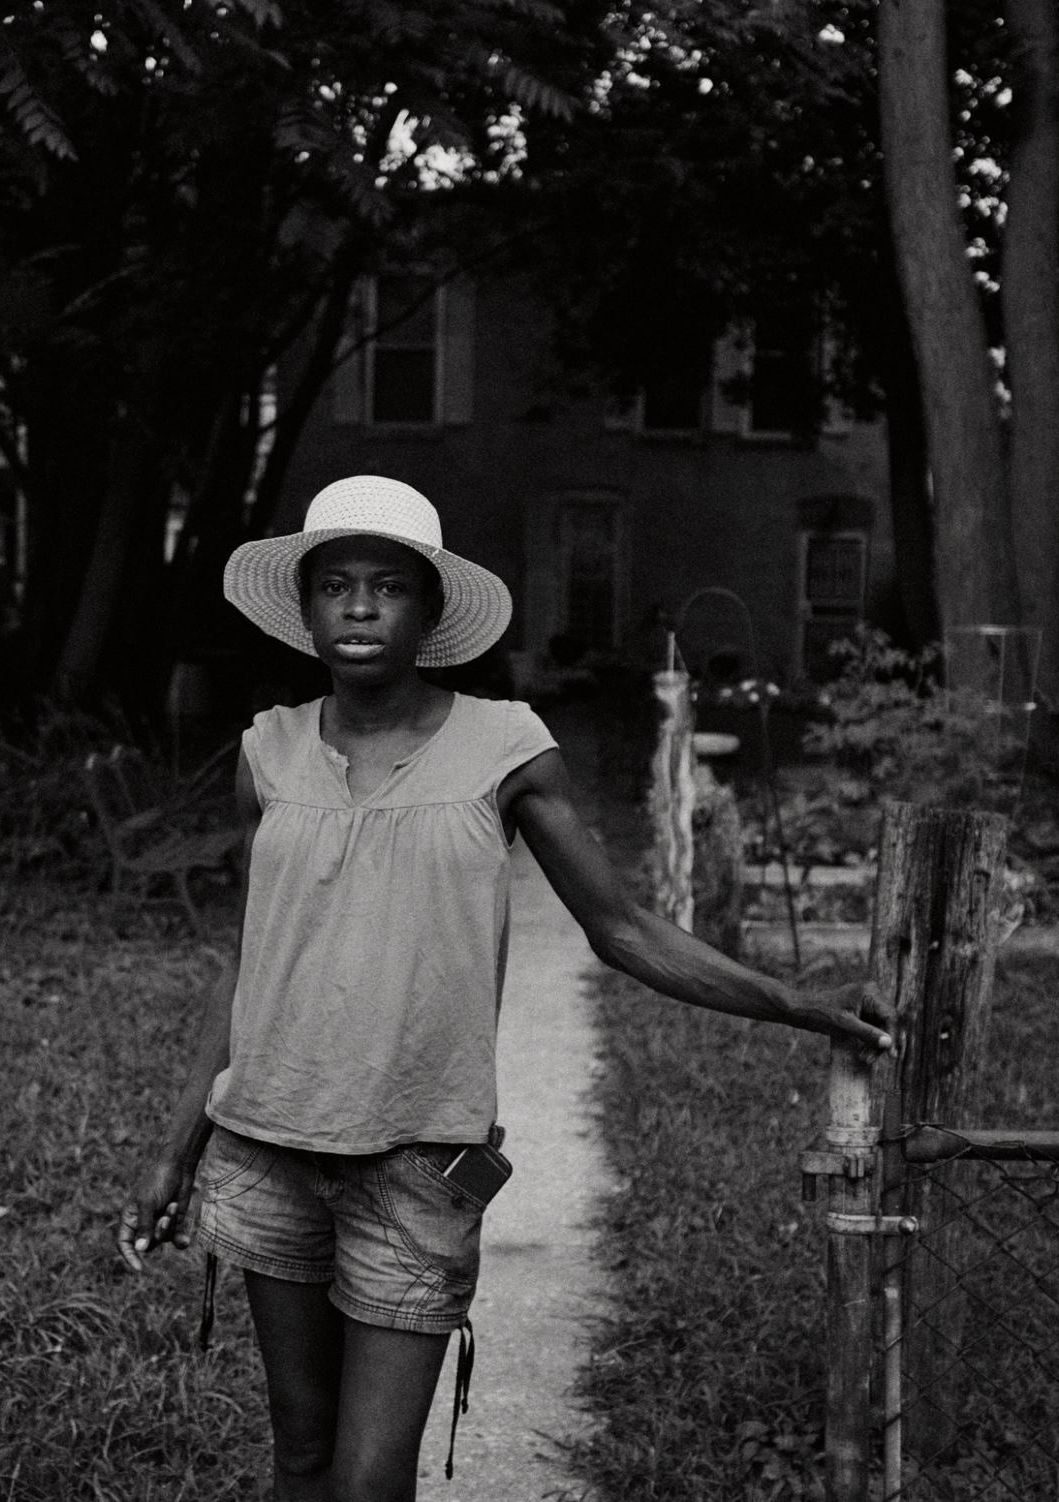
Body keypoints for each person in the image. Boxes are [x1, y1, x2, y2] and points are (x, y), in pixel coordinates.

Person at [117, 475, 890, 1502]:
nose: (359, 608)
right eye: (335, 586)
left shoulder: (508, 748)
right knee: (300, 1453)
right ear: (305, 609)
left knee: (368, 1477)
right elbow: (249, 957)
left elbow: (621, 929)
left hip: (419, 1161)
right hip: (266, 1147)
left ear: (429, 610)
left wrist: (798, 1002)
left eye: (388, 586)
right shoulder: (268, 750)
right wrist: (175, 1151)